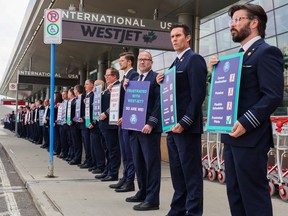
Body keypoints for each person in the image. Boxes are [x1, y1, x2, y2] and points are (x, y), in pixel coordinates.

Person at [208, 3, 284, 216]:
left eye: (237, 20)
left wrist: (246, 121)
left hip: (251, 136)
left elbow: (273, 95)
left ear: (254, 22)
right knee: (235, 193)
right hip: (231, 136)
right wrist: (214, 72)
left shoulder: (267, 52)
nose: (232, 25)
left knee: (253, 196)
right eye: (231, 21)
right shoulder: (235, 58)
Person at [156, 23, 207, 216]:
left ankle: (193, 212)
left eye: (178, 35)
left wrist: (185, 121)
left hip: (186, 128)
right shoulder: (175, 63)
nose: (174, 39)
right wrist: (161, 80)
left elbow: (198, 95)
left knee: (191, 175)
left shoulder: (194, 60)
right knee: (177, 174)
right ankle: (177, 209)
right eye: (172, 37)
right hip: (172, 128)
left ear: (188, 38)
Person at [125, 51, 162, 211]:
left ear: (151, 62)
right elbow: (132, 102)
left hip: (148, 130)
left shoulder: (156, 78)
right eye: (140, 60)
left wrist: (151, 123)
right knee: (139, 163)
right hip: (134, 129)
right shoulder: (133, 79)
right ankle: (142, 192)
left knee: (151, 165)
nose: (142, 62)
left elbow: (159, 103)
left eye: (145, 60)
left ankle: (152, 199)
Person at [109, 52, 138, 192]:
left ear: (130, 62)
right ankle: (125, 177)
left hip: (128, 120)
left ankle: (130, 181)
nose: (120, 63)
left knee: (129, 152)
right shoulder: (124, 78)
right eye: (119, 60)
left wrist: (125, 116)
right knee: (124, 152)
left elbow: (133, 100)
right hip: (121, 120)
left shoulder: (134, 76)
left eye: (122, 61)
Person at [97, 69, 121, 182]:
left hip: (111, 124)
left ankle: (113, 172)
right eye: (105, 75)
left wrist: (106, 113)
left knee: (113, 150)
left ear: (115, 76)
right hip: (104, 124)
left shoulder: (117, 86)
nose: (106, 77)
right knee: (107, 149)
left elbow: (117, 103)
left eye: (108, 75)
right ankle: (108, 170)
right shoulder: (108, 88)